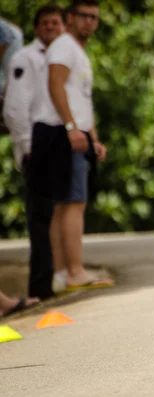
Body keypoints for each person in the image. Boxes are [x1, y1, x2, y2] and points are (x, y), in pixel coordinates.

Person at [29, 0, 113, 291]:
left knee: (66, 204)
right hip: (60, 131)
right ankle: (73, 271)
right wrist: (70, 127)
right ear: (70, 18)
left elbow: (80, 99)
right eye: (84, 16)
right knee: (73, 203)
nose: (89, 22)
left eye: (94, 18)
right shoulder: (65, 45)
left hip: (71, 131)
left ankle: (63, 273)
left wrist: (92, 137)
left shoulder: (75, 50)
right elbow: (55, 84)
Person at [3, 3, 66, 301]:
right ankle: (40, 286)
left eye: (56, 23)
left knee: (56, 215)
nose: (51, 27)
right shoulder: (24, 58)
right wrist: (28, 147)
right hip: (37, 144)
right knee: (40, 219)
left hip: (59, 143)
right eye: (46, 23)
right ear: (37, 28)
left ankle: (54, 278)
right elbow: (15, 108)